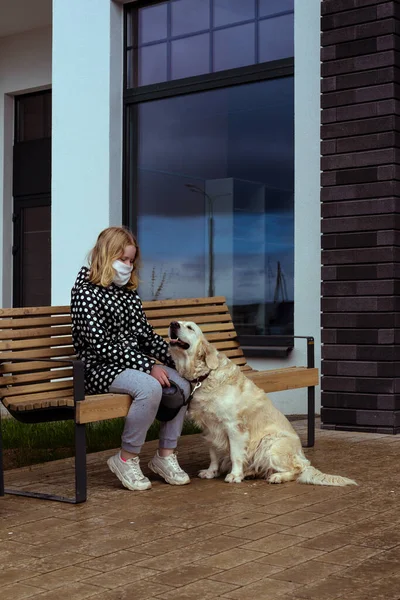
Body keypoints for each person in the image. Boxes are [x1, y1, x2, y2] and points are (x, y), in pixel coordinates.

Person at [70, 226, 191, 491]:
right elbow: (99, 345)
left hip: (130, 364)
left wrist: (178, 361)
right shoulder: (85, 293)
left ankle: (165, 457)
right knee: (149, 387)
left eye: (130, 260)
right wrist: (147, 366)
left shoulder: (127, 293)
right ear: (105, 255)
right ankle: (126, 458)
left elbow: (145, 336)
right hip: (97, 368)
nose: (127, 265)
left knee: (182, 383)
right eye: (122, 259)